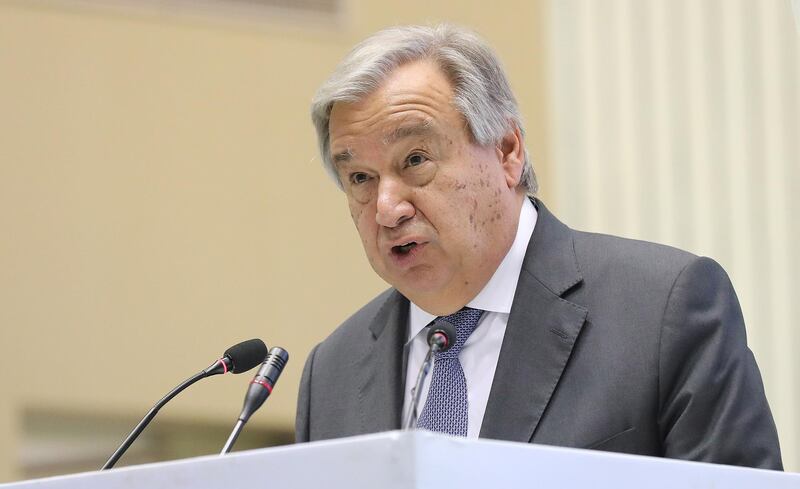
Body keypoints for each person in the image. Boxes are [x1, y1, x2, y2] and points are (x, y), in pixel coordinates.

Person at [295, 24, 782, 470]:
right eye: (360, 177)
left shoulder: (661, 312)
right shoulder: (332, 371)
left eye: (415, 160)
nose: (387, 208)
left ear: (507, 151)